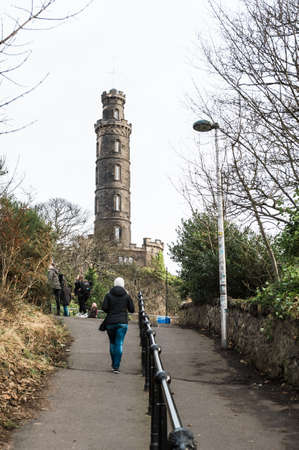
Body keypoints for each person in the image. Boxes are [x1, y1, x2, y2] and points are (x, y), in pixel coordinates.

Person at [102, 277, 135, 374]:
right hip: (122, 323)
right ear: (123, 285)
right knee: (119, 343)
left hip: (111, 322)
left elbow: (104, 308)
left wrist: (111, 311)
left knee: (112, 343)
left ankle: (114, 365)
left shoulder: (108, 295)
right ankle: (116, 366)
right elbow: (132, 309)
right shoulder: (126, 296)